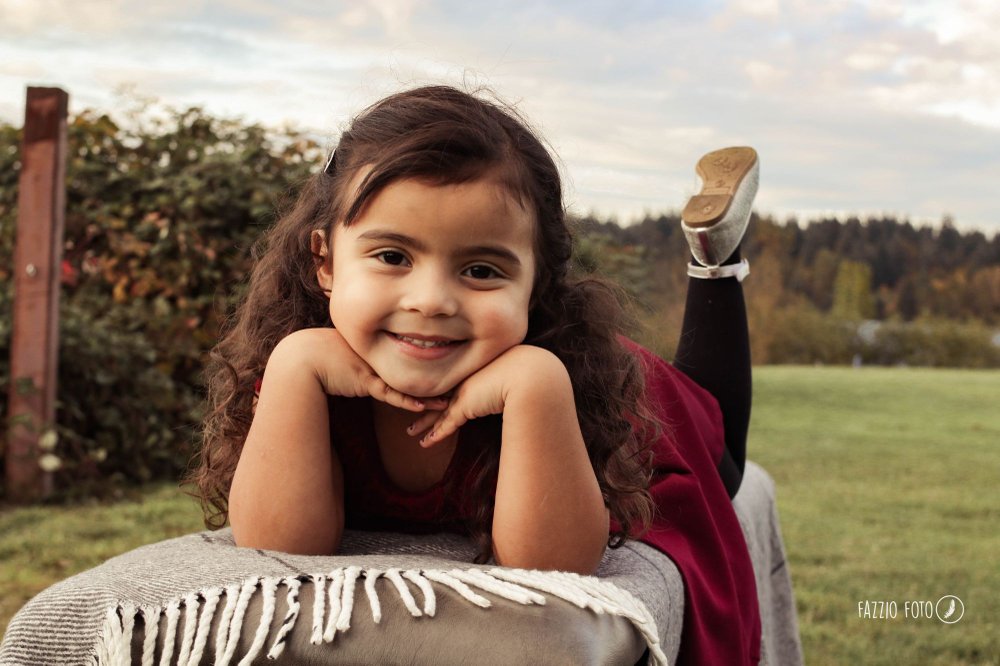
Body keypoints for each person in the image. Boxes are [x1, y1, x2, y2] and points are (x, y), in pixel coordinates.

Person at [189, 85, 760, 664]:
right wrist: (290, 369)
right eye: (392, 257)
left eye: (481, 270)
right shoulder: (308, 372)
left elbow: (554, 567)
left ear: (533, 287)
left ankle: (713, 261)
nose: (432, 301)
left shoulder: (572, 381)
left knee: (726, 449)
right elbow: (280, 544)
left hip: (652, 403)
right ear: (325, 262)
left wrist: (536, 385)